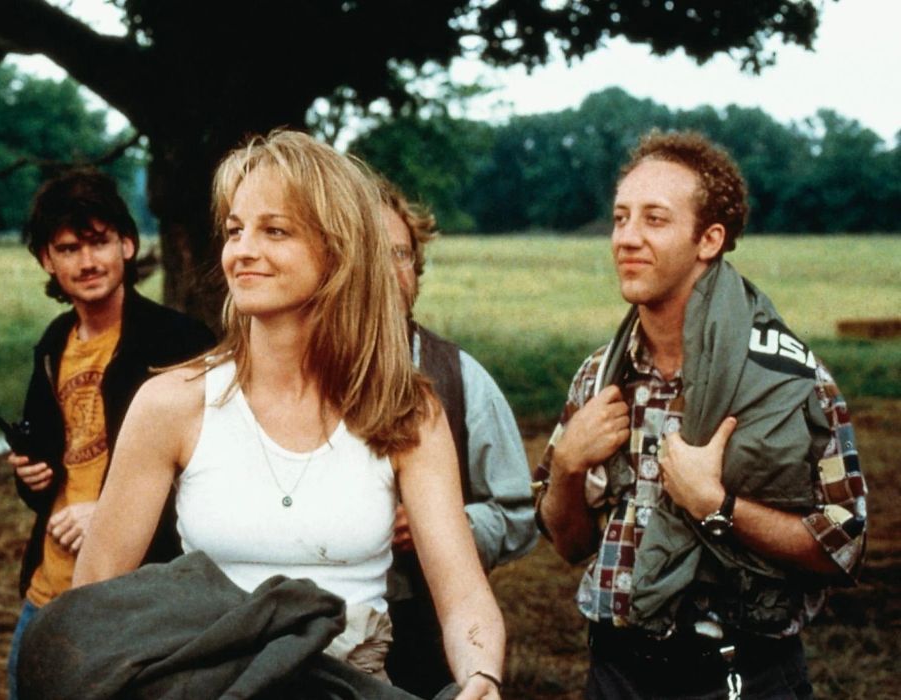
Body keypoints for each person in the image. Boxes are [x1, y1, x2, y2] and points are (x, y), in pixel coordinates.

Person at [72, 130, 505, 699]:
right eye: (234, 229)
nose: (241, 250)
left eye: (274, 230)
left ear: (338, 252)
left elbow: (464, 593)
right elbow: (93, 598)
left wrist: (481, 677)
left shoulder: (406, 410)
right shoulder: (173, 403)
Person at [533, 131, 867, 698]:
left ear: (709, 239)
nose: (626, 238)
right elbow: (569, 546)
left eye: (654, 220)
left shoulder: (785, 382)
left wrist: (716, 505)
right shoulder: (600, 377)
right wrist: (566, 466)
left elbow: (844, 549)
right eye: (620, 218)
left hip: (740, 671)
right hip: (615, 671)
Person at [5, 168, 214, 698]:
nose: (88, 261)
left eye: (99, 242)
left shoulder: (180, 340)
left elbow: (214, 475)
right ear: (47, 261)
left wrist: (113, 510)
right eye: (69, 248)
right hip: (47, 594)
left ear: (126, 244)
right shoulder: (54, 343)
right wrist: (31, 478)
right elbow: (57, 467)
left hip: (134, 602)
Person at [377, 180, 536, 697]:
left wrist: (446, 525)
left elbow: (518, 513)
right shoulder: (301, 378)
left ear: (417, 272)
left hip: (432, 638)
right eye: (371, 254)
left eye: (401, 254)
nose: (388, 271)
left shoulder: (461, 377)